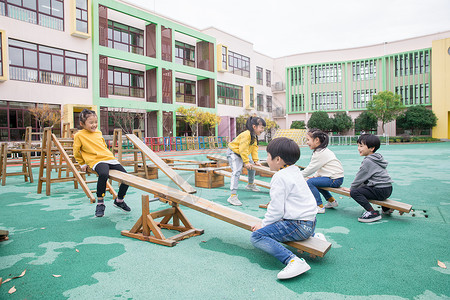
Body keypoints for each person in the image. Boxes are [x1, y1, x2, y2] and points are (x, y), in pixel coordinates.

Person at [251, 137, 322, 280]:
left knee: (257, 236)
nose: (267, 159)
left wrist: (263, 225)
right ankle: (315, 236)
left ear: (278, 160)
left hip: (298, 225)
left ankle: (292, 260)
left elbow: (276, 210)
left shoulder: (279, 176)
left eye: (268, 156)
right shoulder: (295, 171)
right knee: (280, 224)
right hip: (311, 223)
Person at [73, 109, 131, 217]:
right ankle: (100, 202)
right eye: (91, 123)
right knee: (104, 174)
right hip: (96, 160)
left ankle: (119, 200)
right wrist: (82, 164)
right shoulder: (79, 135)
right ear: (82, 124)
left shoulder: (98, 132)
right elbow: (76, 152)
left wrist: (110, 157)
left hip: (108, 158)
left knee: (126, 176)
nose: (94, 125)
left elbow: (103, 146)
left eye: (96, 122)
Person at [341, 134, 393, 223]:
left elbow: (360, 177)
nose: (358, 148)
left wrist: (352, 189)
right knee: (364, 189)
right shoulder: (377, 158)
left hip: (380, 190)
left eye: (361, 146)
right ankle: (386, 208)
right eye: (358, 146)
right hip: (388, 189)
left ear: (371, 148)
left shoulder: (368, 161)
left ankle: (372, 212)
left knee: (355, 192)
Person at [302, 129, 344, 213]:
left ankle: (319, 206)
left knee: (310, 182)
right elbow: (320, 168)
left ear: (317, 140)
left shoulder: (321, 153)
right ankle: (331, 201)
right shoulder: (321, 151)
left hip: (334, 179)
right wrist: (315, 176)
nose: (307, 142)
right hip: (335, 178)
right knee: (315, 181)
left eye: (308, 140)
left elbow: (310, 169)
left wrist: (297, 175)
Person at [226, 116, 266, 206]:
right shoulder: (246, 134)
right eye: (262, 127)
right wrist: (246, 162)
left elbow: (254, 149)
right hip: (233, 153)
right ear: (254, 127)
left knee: (252, 166)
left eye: (263, 128)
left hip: (241, 154)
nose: (263, 130)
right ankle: (232, 196)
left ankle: (250, 184)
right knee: (236, 171)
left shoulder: (254, 137)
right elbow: (243, 149)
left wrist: (255, 161)